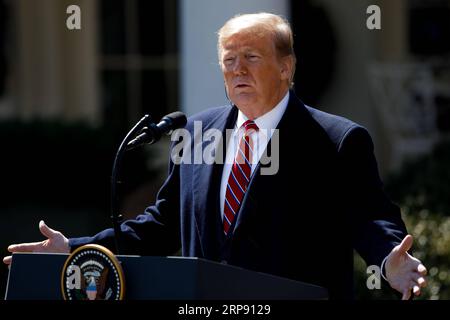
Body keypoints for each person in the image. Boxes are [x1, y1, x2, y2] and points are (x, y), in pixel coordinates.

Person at [3, 12, 427, 300]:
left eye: (251, 58)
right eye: (228, 61)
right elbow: (162, 225)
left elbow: (370, 217)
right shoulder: (197, 131)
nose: (237, 70)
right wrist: (76, 250)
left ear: (286, 67)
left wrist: (389, 258)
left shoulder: (336, 140)